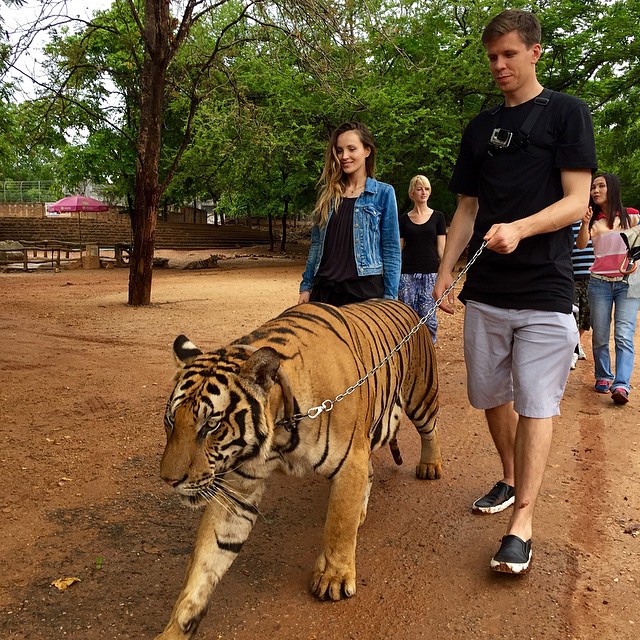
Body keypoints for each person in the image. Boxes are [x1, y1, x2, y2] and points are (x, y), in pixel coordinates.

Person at [433, 9, 597, 574]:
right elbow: (466, 210)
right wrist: (445, 272)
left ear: (534, 53)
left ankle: (521, 522)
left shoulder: (567, 114)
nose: (499, 66)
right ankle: (508, 476)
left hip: (547, 288)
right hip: (486, 293)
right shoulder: (479, 129)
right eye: (492, 57)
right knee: (489, 395)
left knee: (536, 400)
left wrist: (522, 228)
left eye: (509, 54)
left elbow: (578, 201)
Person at [298, 122, 401, 306]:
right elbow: (316, 245)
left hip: (364, 291)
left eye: (351, 149)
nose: (344, 156)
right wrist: (306, 287)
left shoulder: (384, 193)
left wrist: (390, 298)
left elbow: (391, 249)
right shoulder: (326, 194)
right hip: (324, 290)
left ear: (367, 151)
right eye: (339, 150)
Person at [576, 172, 640, 404]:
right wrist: (584, 223)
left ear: (612, 188)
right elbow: (581, 244)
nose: (595, 190)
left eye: (601, 186)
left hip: (627, 284)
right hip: (599, 283)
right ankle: (603, 376)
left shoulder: (632, 216)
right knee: (600, 335)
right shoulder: (594, 221)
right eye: (593, 187)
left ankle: (621, 385)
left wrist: (635, 262)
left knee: (623, 335)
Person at [398, 175, 447, 342]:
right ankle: (408, 353)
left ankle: (428, 353)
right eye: (419, 189)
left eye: (426, 189)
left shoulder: (438, 217)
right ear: (412, 193)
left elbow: (442, 248)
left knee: (429, 319)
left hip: (430, 273)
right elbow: (398, 249)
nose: (423, 192)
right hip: (406, 274)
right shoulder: (403, 219)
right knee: (407, 318)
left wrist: (445, 270)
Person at [570, 213, 595, 369]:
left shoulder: (593, 222)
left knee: (587, 317)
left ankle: (577, 342)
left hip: (592, 276)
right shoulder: (565, 222)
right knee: (572, 315)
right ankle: (572, 350)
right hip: (570, 277)